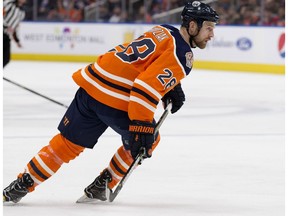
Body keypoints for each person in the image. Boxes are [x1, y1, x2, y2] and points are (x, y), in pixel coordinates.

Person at [3, 0, 219, 203]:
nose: (212, 34)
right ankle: (102, 185)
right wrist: (142, 125)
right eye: (209, 28)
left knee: (67, 144)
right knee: (149, 138)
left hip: (92, 83)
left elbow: (142, 63)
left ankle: (22, 184)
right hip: (113, 97)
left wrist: (171, 85)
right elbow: (145, 88)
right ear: (192, 26)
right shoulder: (183, 56)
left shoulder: (163, 29)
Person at [3, 0, 26, 68]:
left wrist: (17, 40)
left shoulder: (22, 12)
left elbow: (15, 27)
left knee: (6, 59)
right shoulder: (9, 3)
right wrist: (5, 25)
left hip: (6, 36)